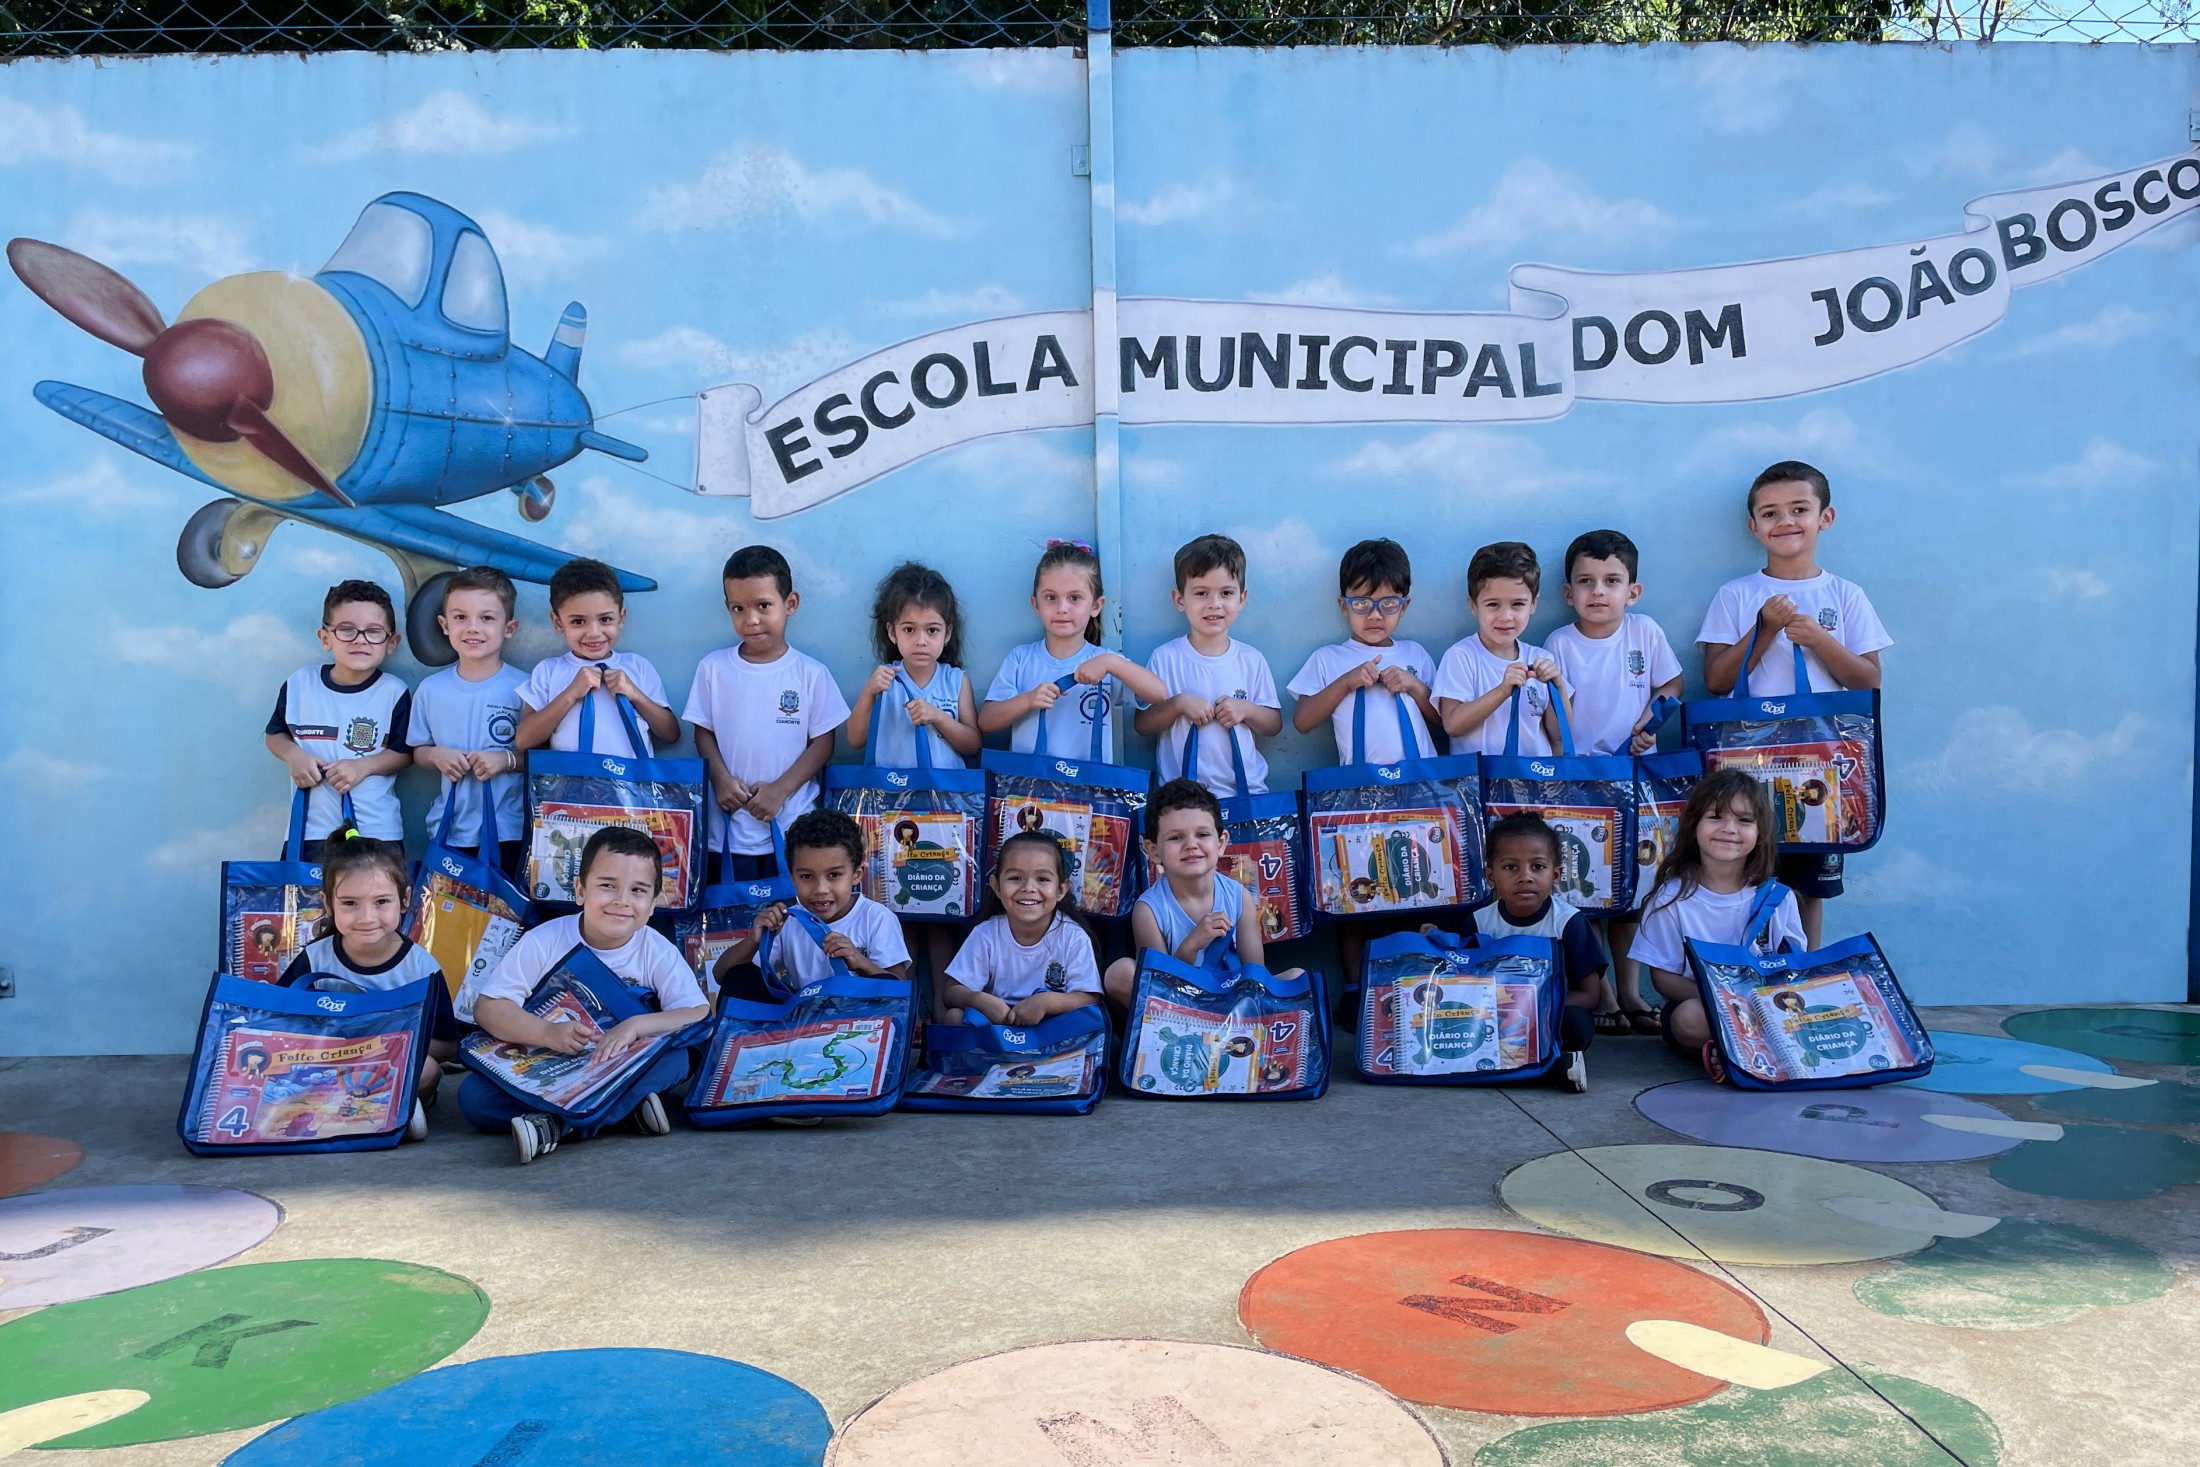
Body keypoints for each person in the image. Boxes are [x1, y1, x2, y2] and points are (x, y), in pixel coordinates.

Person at [1698, 461, 1889, 950]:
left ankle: (1805, 972)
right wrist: (1763, 630)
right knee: (1743, 871)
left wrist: (1819, 639)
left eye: (1799, 509)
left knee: (1809, 881)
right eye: (1770, 513)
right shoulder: (1736, 595)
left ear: (1826, 518)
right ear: (1753, 526)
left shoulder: (1845, 595)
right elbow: (1716, 682)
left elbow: (1868, 682)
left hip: (1825, 769)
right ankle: (1744, 973)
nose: (1785, 521)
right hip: (1747, 764)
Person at [459, 826, 709, 1164]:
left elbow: (696, 1013)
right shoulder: (545, 940)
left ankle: (556, 1126)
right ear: (580, 890)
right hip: (552, 1065)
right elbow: (489, 1008)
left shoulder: (656, 950)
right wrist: (546, 1033)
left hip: (620, 1067)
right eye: (607, 885)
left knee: (681, 1058)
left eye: (638, 890)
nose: (622, 900)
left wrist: (635, 1025)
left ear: (653, 904)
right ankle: (622, 1113)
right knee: (474, 1098)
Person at [1286, 537, 1441, 1024]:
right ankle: (1356, 990)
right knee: (1354, 890)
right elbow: (1303, 720)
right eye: (1362, 603)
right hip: (1355, 795)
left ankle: (1416, 980)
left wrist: (1413, 685)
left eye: (1388, 604)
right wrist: (1346, 682)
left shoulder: (1416, 654)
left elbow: (1444, 721)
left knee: (1420, 883)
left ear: (1405, 605)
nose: (1375, 615)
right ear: (1343, 605)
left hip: (1419, 792)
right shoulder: (1329, 659)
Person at [1543, 529, 1685, 1038]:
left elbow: (1672, 684)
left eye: (1611, 580)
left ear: (1633, 591)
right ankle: (1601, 991)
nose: (1598, 591)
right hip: (1581, 783)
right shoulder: (1559, 644)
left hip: (1637, 777)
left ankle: (1631, 990)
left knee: (1633, 888)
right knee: (1585, 887)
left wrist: (1648, 725)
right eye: (1586, 581)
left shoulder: (1645, 632)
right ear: (1568, 593)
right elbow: (1556, 717)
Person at [684, 546, 851, 881]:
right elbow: (703, 731)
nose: (751, 619)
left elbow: (823, 743)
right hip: (728, 831)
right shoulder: (713, 668)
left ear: (790, 604)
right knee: (730, 910)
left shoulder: (810, 674)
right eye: (739, 608)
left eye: (763, 605)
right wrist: (720, 779)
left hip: (793, 827)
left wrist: (780, 790)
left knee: (790, 909)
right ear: (728, 608)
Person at [1630, 769, 1807, 1083]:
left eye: (1744, 820)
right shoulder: (1670, 899)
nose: (1729, 829)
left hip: (1766, 1009)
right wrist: (1728, 1001)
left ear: (1760, 832)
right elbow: (1663, 978)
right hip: (1704, 1007)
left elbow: (1793, 970)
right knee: (1689, 1019)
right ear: (1694, 825)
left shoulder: (1779, 899)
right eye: (1715, 817)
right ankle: (1745, 1053)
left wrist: (1760, 1004)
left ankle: (1735, 1056)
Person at [281, 833, 455, 1138]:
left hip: (387, 1068)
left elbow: (447, 1044)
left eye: (381, 902)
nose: (366, 917)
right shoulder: (315, 958)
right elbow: (279, 1023)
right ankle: (383, 1115)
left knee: (427, 1071)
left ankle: (393, 1108)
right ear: (327, 903)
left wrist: (387, 1043)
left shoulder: (421, 967)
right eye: (350, 903)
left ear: (404, 900)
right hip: (326, 1065)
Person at [1425, 814, 1602, 1093]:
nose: (1525, 877)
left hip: (1549, 1015)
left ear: (1555, 875)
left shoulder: (1569, 923)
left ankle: (1543, 1063)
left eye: (1538, 867)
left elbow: (1590, 995)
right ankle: (1551, 1070)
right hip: (1493, 1017)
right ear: (1490, 877)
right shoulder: (1480, 922)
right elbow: (1467, 985)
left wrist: (1533, 1008)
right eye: (1510, 867)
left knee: (1576, 1026)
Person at [1102, 780, 1303, 1008]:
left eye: (1202, 834)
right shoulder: (1148, 910)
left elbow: (1255, 975)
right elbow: (1160, 987)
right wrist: (1192, 944)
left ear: (1221, 843)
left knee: (1297, 976)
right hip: (1178, 1009)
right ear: (1154, 851)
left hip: (1234, 1002)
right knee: (1120, 973)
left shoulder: (1239, 897)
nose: (1191, 845)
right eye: (1176, 837)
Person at [979, 540, 1167, 761]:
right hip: (1028, 782)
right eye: (1051, 598)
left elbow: (1159, 694)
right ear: (1035, 604)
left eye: (1075, 598)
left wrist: (1111, 663)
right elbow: (986, 721)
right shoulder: (1021, 659)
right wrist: (1028, 700)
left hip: (1090, 782)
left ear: (1096, 606)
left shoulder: (1105, 662)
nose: (1062, 608)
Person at [264, 579, 412, 852]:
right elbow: (275, 734)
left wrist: (363, 766)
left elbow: (404, 753)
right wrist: (293, 755)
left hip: (376, 832)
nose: (360, 639)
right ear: (325, 638)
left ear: (391, 642)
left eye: (374, 631)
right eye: (346, 629)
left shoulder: (393, 691)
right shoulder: (300, 684)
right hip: (309, 832)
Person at [1136, 534, 1282, 798]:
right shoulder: (1165, 658)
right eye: (1201, 593)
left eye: (1226, 593)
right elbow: (1143, 725)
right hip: (1181, 800)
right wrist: (1178, 705)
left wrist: (1246, 709)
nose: (1214, 604)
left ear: (1242, 598)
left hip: (1244, 796)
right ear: (1179, 599)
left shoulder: (1251, 659)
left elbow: (1273, 725)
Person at [713, 809, 913, 1000]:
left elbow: (898, 988)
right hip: (803, 1017)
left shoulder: (876, 917)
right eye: (807, 876)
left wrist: (859, 961)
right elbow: (721, 975)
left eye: (834, 875)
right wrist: (754, 940)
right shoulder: (787, 921)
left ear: (856, 875)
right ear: (793, 877)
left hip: (860, 1016)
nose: (821, 889)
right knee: (741, 976)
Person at [408, 567, 528, 874]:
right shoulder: (431, 689)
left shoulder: (526, 688)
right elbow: (418, 751)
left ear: (509, 628)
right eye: (461, 617)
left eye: (487, 618)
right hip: (449, 831)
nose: (473, 628)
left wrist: (506, 760)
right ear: (444, 625)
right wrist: (436, 755)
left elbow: (543, 757)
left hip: (510, 832)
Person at [514, 557, 679, 758]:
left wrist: (634, 694)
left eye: (605, 619)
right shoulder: (548, 671)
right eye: (578, 621)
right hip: (571, 778)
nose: (593, 633)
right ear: (557, 623)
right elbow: (524, 740)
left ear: (621, 618)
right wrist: (570, 694)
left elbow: (671, 734)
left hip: (633, 779)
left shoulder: (638, 666)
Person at [938, 830, 1102, 1025]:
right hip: (998, 1028)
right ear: (997, 887)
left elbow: (1089, 998)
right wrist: (980, 1000)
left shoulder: (1073, 937)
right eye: (1015, 878)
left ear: (1061, 890)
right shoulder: (986, 934)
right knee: (954, 1017)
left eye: (1042, 879)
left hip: (1051, 1031)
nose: (1028, 888)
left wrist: (1045, 1003)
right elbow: (952, 992)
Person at [1436, 541, 1570, 757]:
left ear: (1533, 604)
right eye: (1493, 604)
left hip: (1534, 775)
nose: (1506, 616)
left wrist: (1559, 687)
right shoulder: (1461, 656)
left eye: (1518, 604)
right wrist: (1502, 691)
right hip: (1481, 777)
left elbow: (1560, 734)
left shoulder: (1541, 658)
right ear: (1473, 604)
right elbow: (1452, 724)